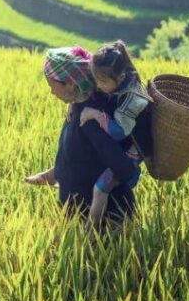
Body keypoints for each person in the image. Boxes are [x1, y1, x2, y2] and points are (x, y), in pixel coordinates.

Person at [24, 42, 152, 233]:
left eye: (52, 86)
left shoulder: (91, 121)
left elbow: (122, 168)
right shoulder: (77, 108)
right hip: (75, 216)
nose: (51, 91)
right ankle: (50, 175)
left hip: (105, 227)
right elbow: (74, 156)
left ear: (70, 84)